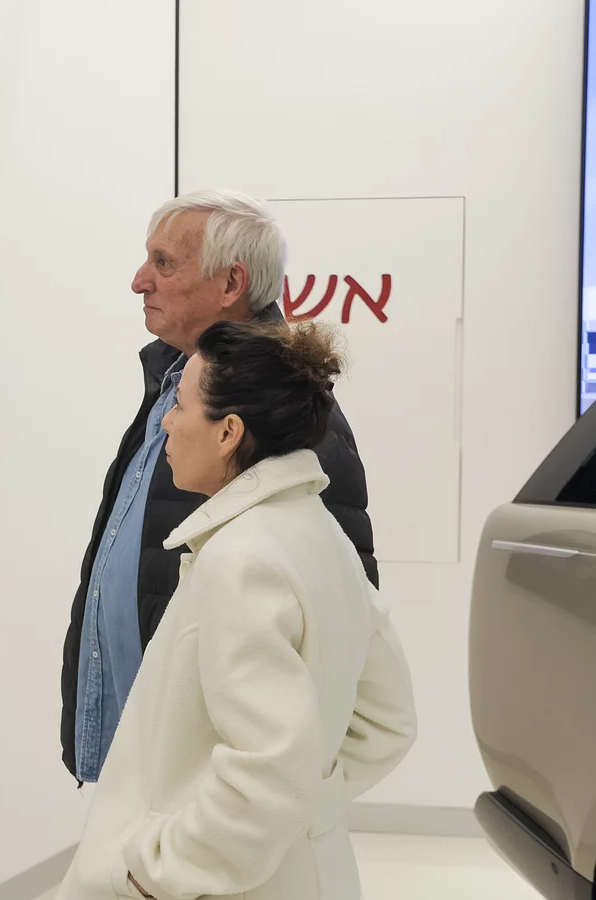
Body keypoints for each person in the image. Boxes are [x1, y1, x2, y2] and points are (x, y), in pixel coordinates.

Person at [55, 320, 417, 900]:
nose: (167, 423)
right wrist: (305, 808)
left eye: (180, 406)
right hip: (306, 871)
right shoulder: (317, 532)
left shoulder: (242, 559)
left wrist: (156, 872)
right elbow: (387, 721)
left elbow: (268, 771)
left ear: (228, 432)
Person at [60, 190, 378, 784]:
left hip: (202, 781)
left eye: (163, 263)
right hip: (144, 762)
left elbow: (343, 617)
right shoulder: (172, 380)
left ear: (231, 283)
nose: (139, 281)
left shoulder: (293, 422)